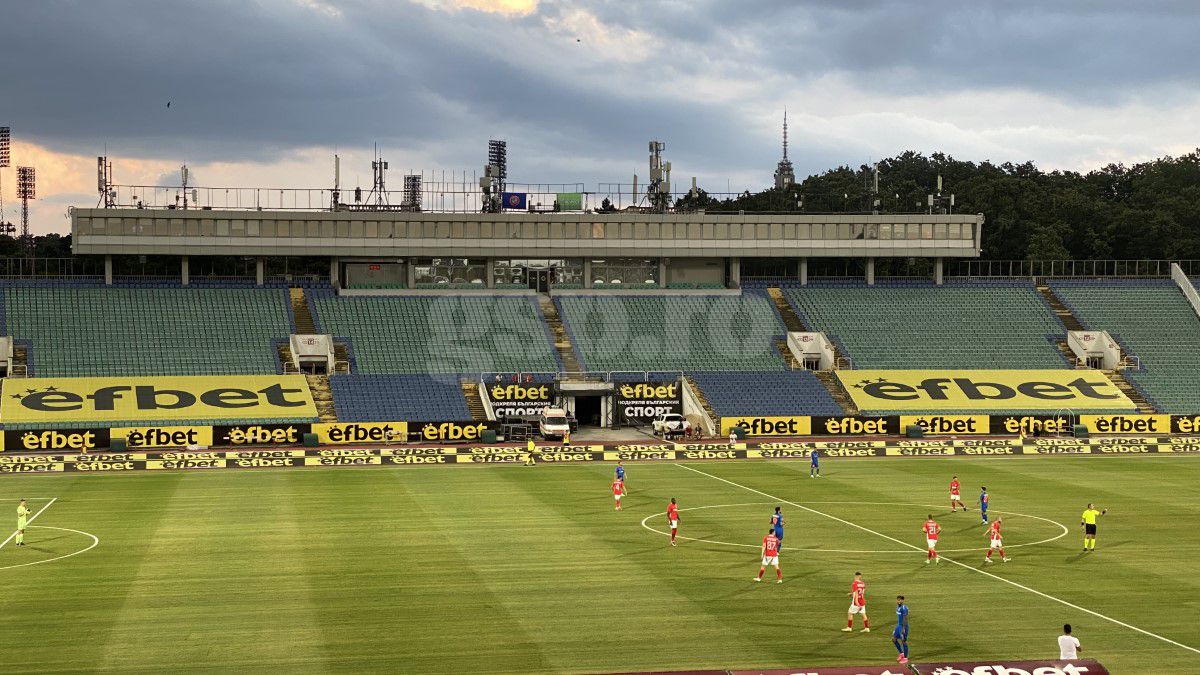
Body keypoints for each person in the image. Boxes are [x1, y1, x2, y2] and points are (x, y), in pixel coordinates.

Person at [892, 596, 910, 665]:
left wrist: (903, 628)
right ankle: (901, 653)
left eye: (900, 600)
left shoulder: (904, 608)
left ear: (902, 600)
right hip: (898, 626)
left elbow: (905, 619)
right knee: (894, 639)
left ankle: (905, 658)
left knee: (903, 641)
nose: (898, 601)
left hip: (903, 626)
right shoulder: (898, 607)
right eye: (897, 600)